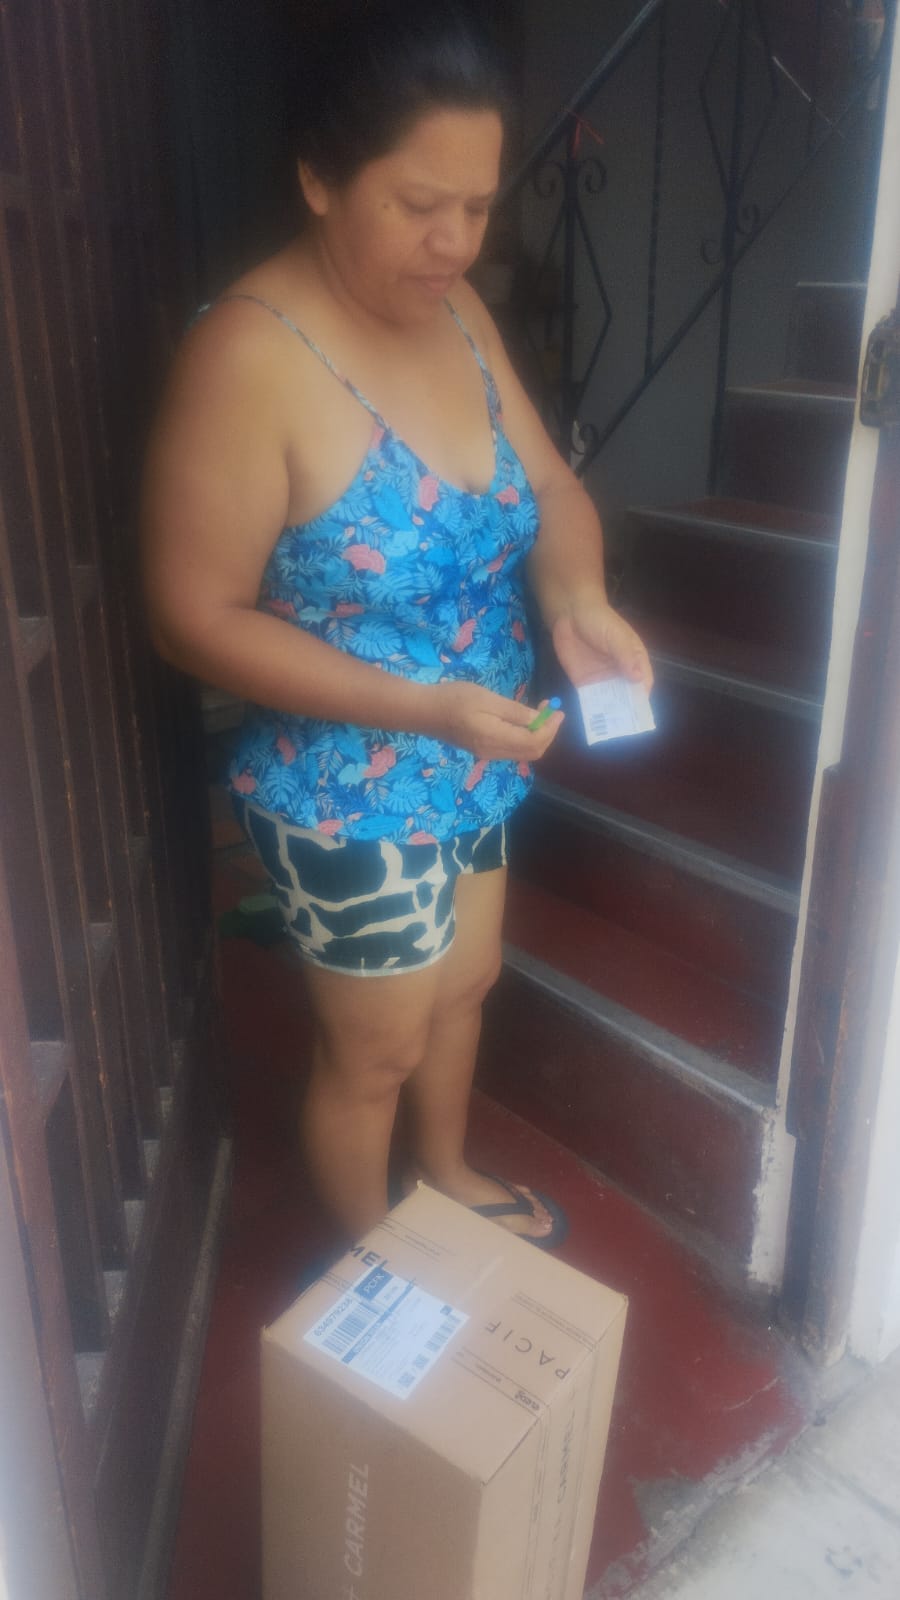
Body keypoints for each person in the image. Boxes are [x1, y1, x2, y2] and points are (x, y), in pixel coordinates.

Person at [141, 0, 652, 1251]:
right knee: (373, 1050)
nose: (454, 242)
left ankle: (447, 1172)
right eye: (420, 203)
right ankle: (375, 1258)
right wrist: (421, 708)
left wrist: (579, 601)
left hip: (478, 747)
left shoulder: (461, 313)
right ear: (320, 178)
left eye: (477, 206)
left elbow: (553, 491)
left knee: (465, 988)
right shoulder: (248, 358)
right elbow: (190, 619)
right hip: (347, 784)